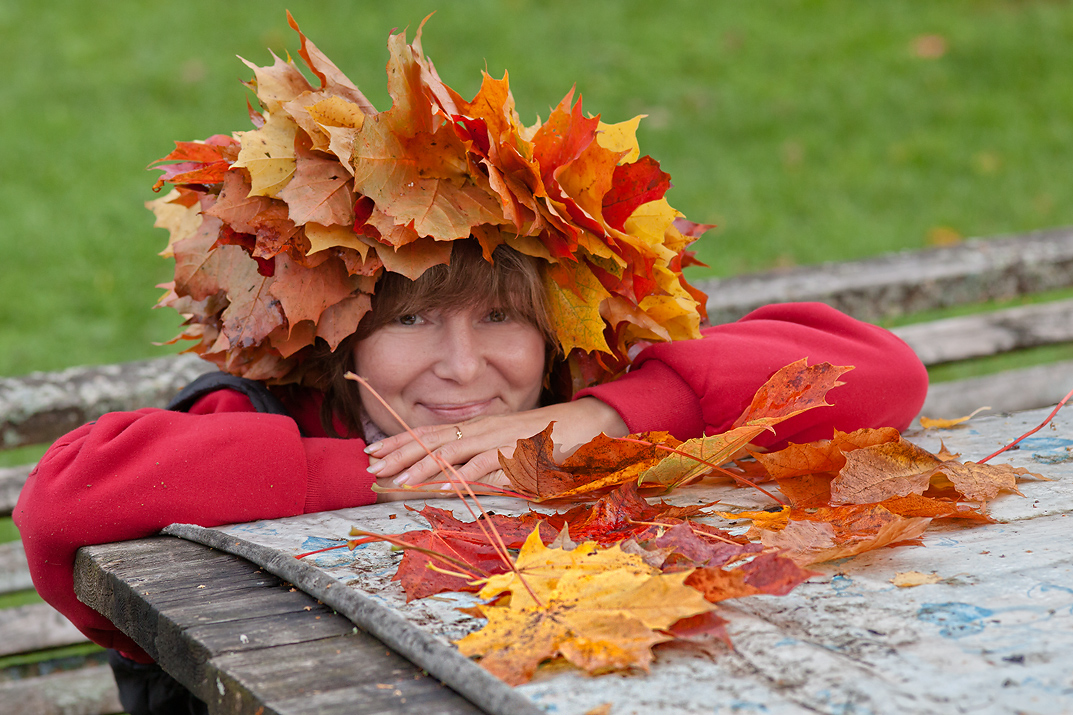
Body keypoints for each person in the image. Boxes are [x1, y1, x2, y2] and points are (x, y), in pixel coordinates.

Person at [14, 16, 928, 715]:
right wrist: (391, 475)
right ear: (338, 337)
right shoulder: (271, 419)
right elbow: (62, 503)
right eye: (412, 320)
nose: (464, 368)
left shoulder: (582, 402)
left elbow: (882, 373)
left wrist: (607, 419)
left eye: (500, 316)